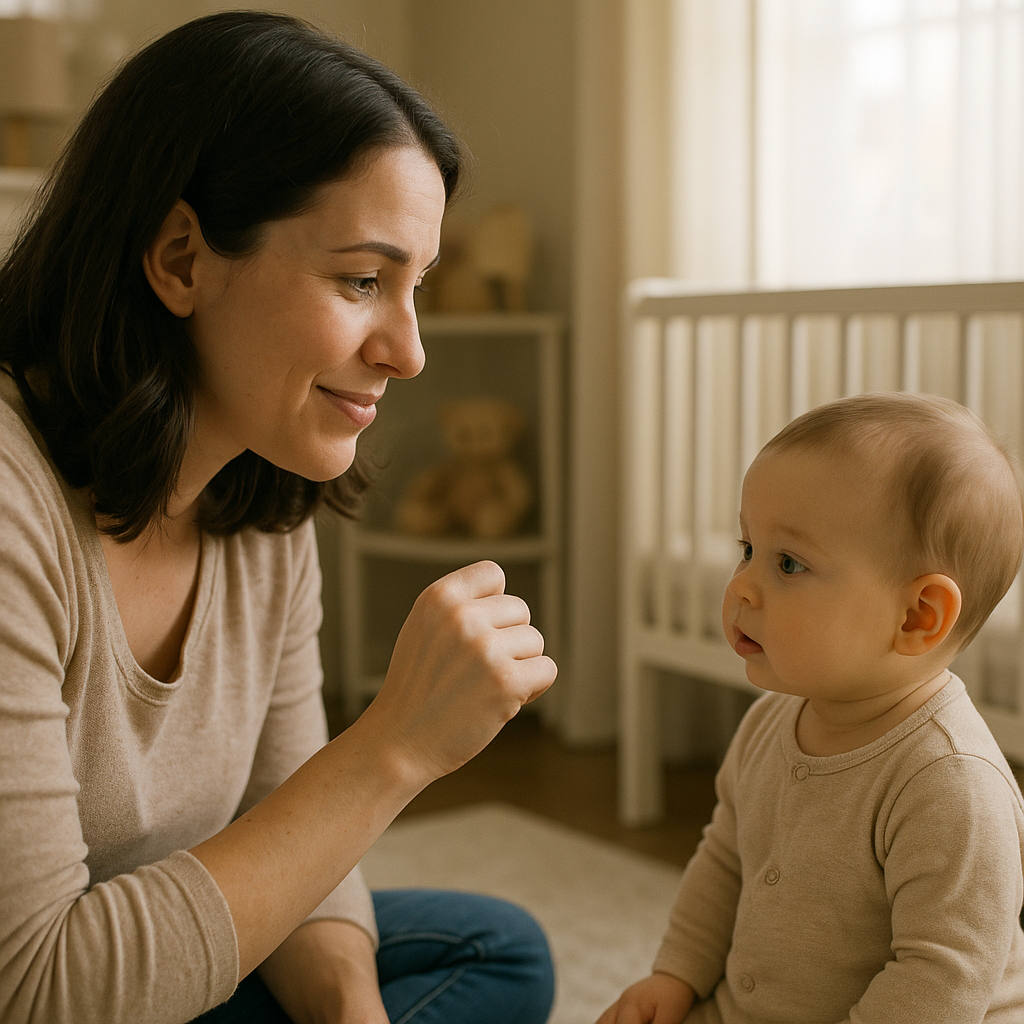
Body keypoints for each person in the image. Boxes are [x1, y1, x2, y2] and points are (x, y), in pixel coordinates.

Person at [0, 12, 558, 1024]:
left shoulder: (260, 501)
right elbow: (33, 990)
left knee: (495, 949)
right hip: (46, 985)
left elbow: (292, 833)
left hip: (142, 959)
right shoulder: (10, 509)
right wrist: (390, 749)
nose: (410, 349)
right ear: (180, 257)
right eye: (361, 280)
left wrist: (353, 1013)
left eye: (415, 287)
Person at [599, 391, 1024, 1024]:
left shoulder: (950, 783)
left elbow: (940, 980)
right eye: (748, 550)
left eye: (789, 563)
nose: (742, 584)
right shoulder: (772, 722)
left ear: (917, 616)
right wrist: (677, 974)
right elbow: (725, 860)